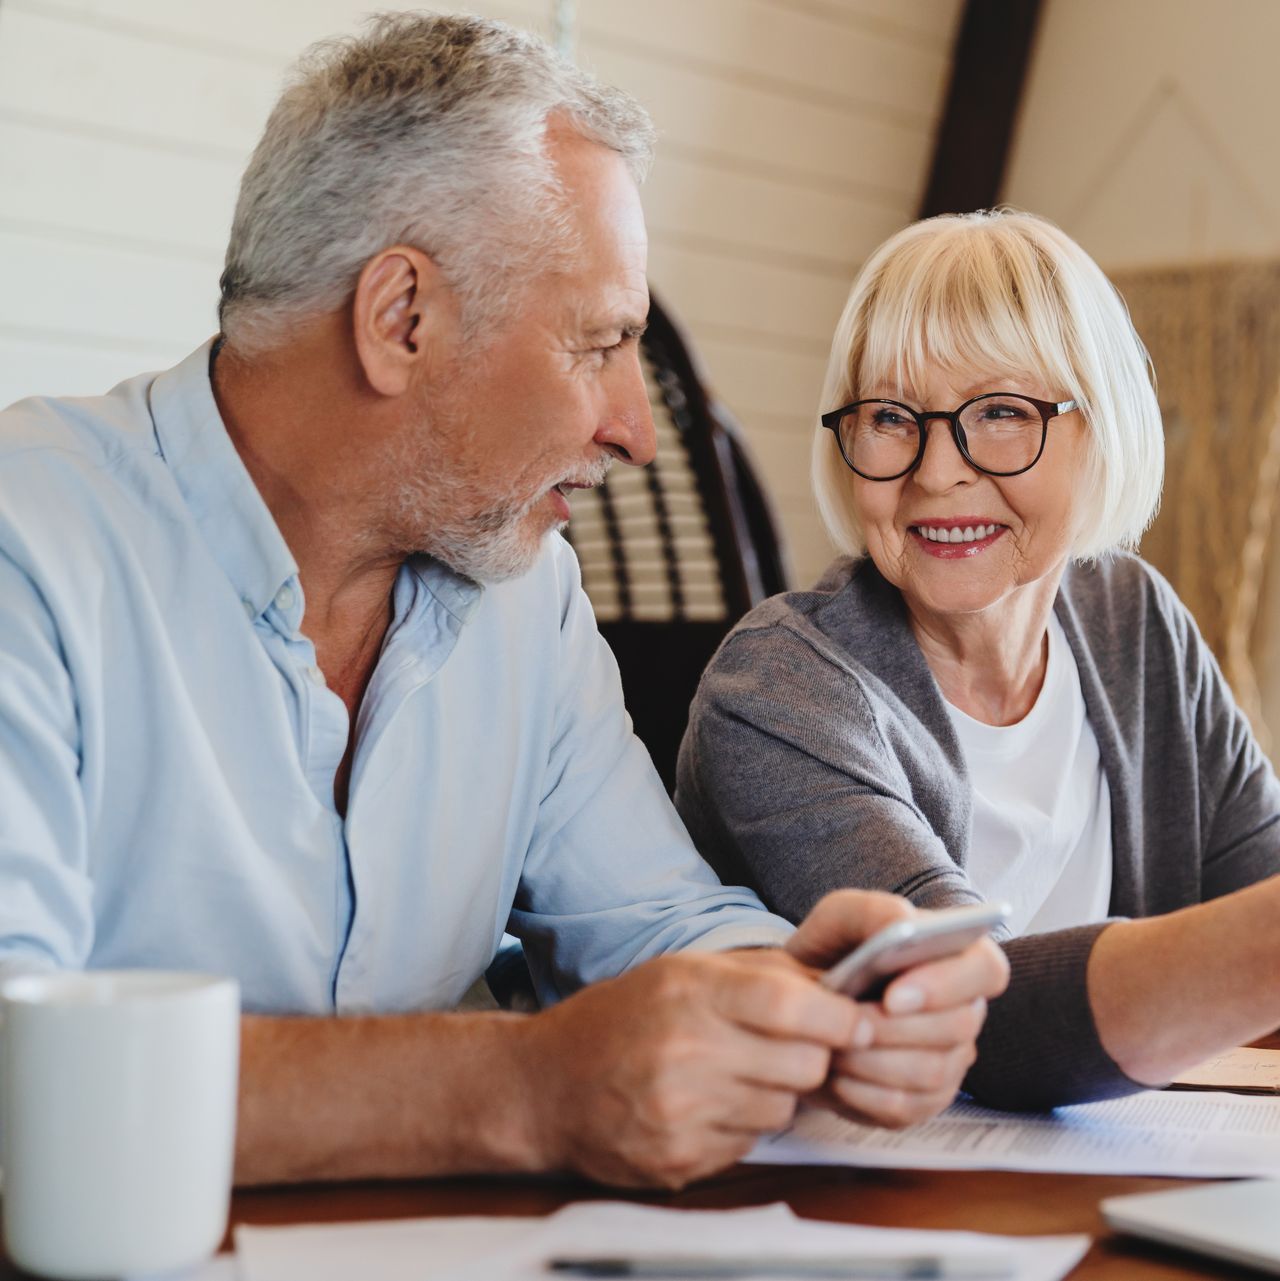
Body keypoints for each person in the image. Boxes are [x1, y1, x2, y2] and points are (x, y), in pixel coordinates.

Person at [0, 14, 1005, 1189]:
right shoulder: (32, 547)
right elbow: (21, 1071)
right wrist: (524, 1088)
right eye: (600, 345)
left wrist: (819, 1005)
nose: (635, 428)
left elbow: (655, 926)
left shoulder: (525, 595)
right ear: (401, 319)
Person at [675, 210, 1280, 1109]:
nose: (937, 471)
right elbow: (969, 1012)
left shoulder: (1134, 621)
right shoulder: (777, 689)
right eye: (890, 417)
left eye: (999, 413)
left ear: (1097, 431)